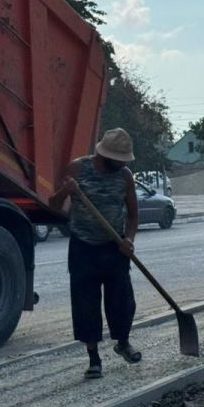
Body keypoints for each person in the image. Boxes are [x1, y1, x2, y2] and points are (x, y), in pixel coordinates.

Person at [49, 128, 142, 379]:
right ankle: (93, 359)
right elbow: (54, 206)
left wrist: (129, 239)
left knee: (123, 301)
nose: (123, 163)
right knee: (85, 305)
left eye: (125, 159)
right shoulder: (78, 169)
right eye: (119, 159)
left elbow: (133, 215)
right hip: (83, 248)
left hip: (115, 247)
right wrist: (65, 192)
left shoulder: (125, 176)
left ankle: (123, 342)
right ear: (105, 155)